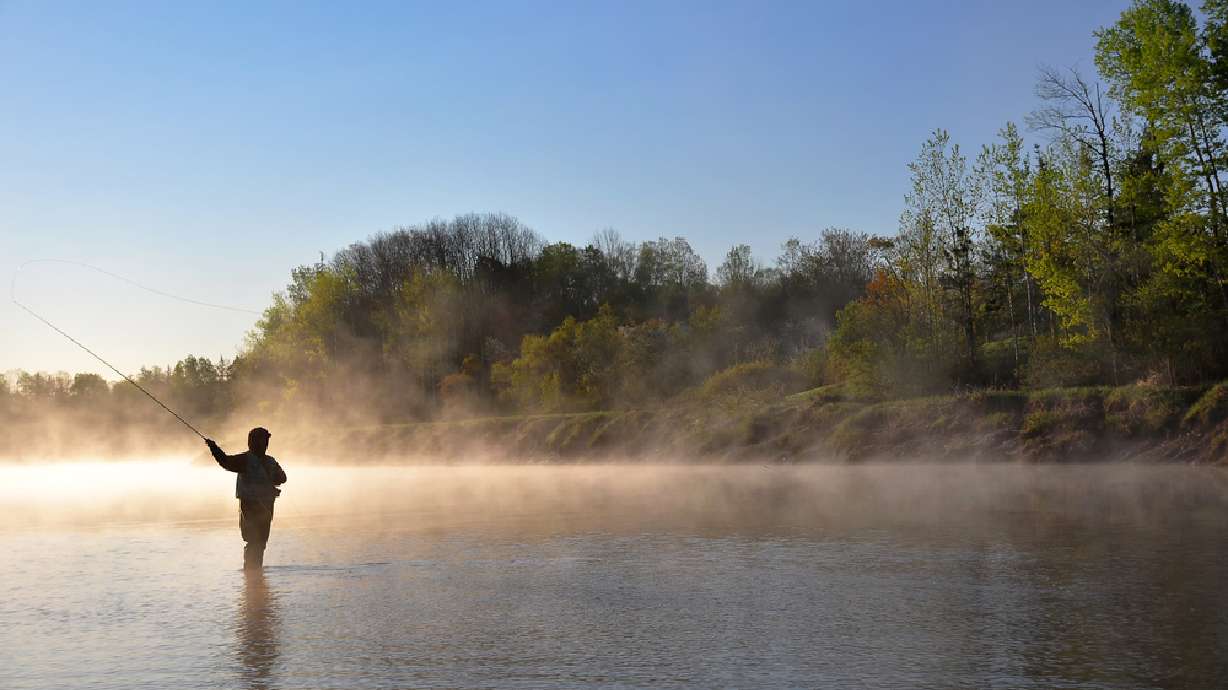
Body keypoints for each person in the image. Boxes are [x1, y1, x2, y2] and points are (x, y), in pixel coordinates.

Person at [206, 428, 287, 570]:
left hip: (256, 505)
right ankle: (254, 573)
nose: (262, 444)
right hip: (260, 505)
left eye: (263, 441)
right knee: (257, 541)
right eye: (262, 441)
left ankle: (251, 574)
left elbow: (225, 462)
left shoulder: (253, 460)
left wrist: (213, 448)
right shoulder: (264, 461)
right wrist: (214, 448)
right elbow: (282, 478)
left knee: (256, 541)